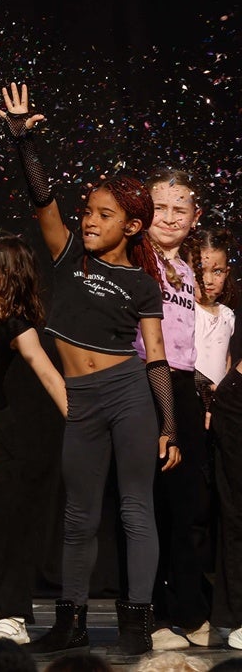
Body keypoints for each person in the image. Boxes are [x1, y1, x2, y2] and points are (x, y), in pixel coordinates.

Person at [0, 82, 179, 661]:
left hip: (128, 395)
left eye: (104, 215)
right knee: (77, 516)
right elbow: (42, 198)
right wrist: (23, 140)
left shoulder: (143, 284)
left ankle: (136, 626)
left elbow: (157, 356)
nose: (90, 221)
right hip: (82, 400)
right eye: (89, 212)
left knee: (135, 510)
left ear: (133, 226)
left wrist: (168, 422)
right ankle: (70, 623)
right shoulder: (69, 255)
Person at [0, 231, 67, 645]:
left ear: (2, 273)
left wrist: (82, 423)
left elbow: (45, 370)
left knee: (1, 525)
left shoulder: (13, 322)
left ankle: (13, 616)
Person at [137, 170, 214, 649]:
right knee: (149, 504)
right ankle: (155, 615)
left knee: (189, 505)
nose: (168, 218)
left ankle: (189, 608)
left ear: (195, 217)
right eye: (159, 208)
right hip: (144, 380)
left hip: (183, 385)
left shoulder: (186, 269)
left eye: (179, 210)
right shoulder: (133, 260)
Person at [196, 229, 242, 649]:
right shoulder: (179, 307)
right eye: (202, 269)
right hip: (193, 405)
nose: (209, 279)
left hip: (220, 405)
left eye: (218, 271)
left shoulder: (229, 313)